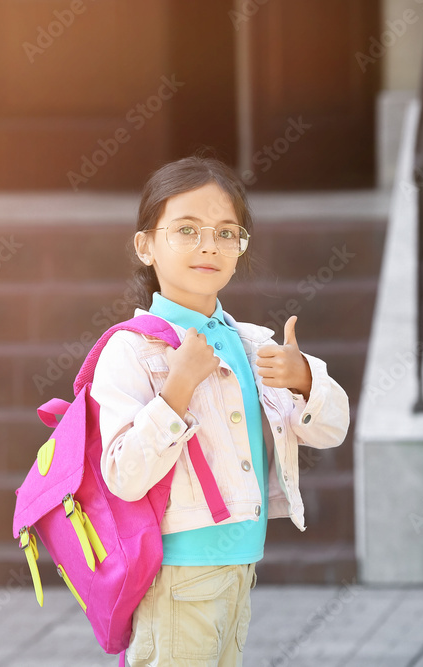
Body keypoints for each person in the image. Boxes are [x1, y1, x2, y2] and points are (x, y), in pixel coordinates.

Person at [91, 155, 351, 666]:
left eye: (226, 233)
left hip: (240, 566)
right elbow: (122, 474)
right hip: (177, 573)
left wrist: (303, 380)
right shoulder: (131, 351)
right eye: (186, 230)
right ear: (146, 245)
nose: (209, 244)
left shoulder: (253, 345)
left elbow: (334, 429)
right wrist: (178, 388)